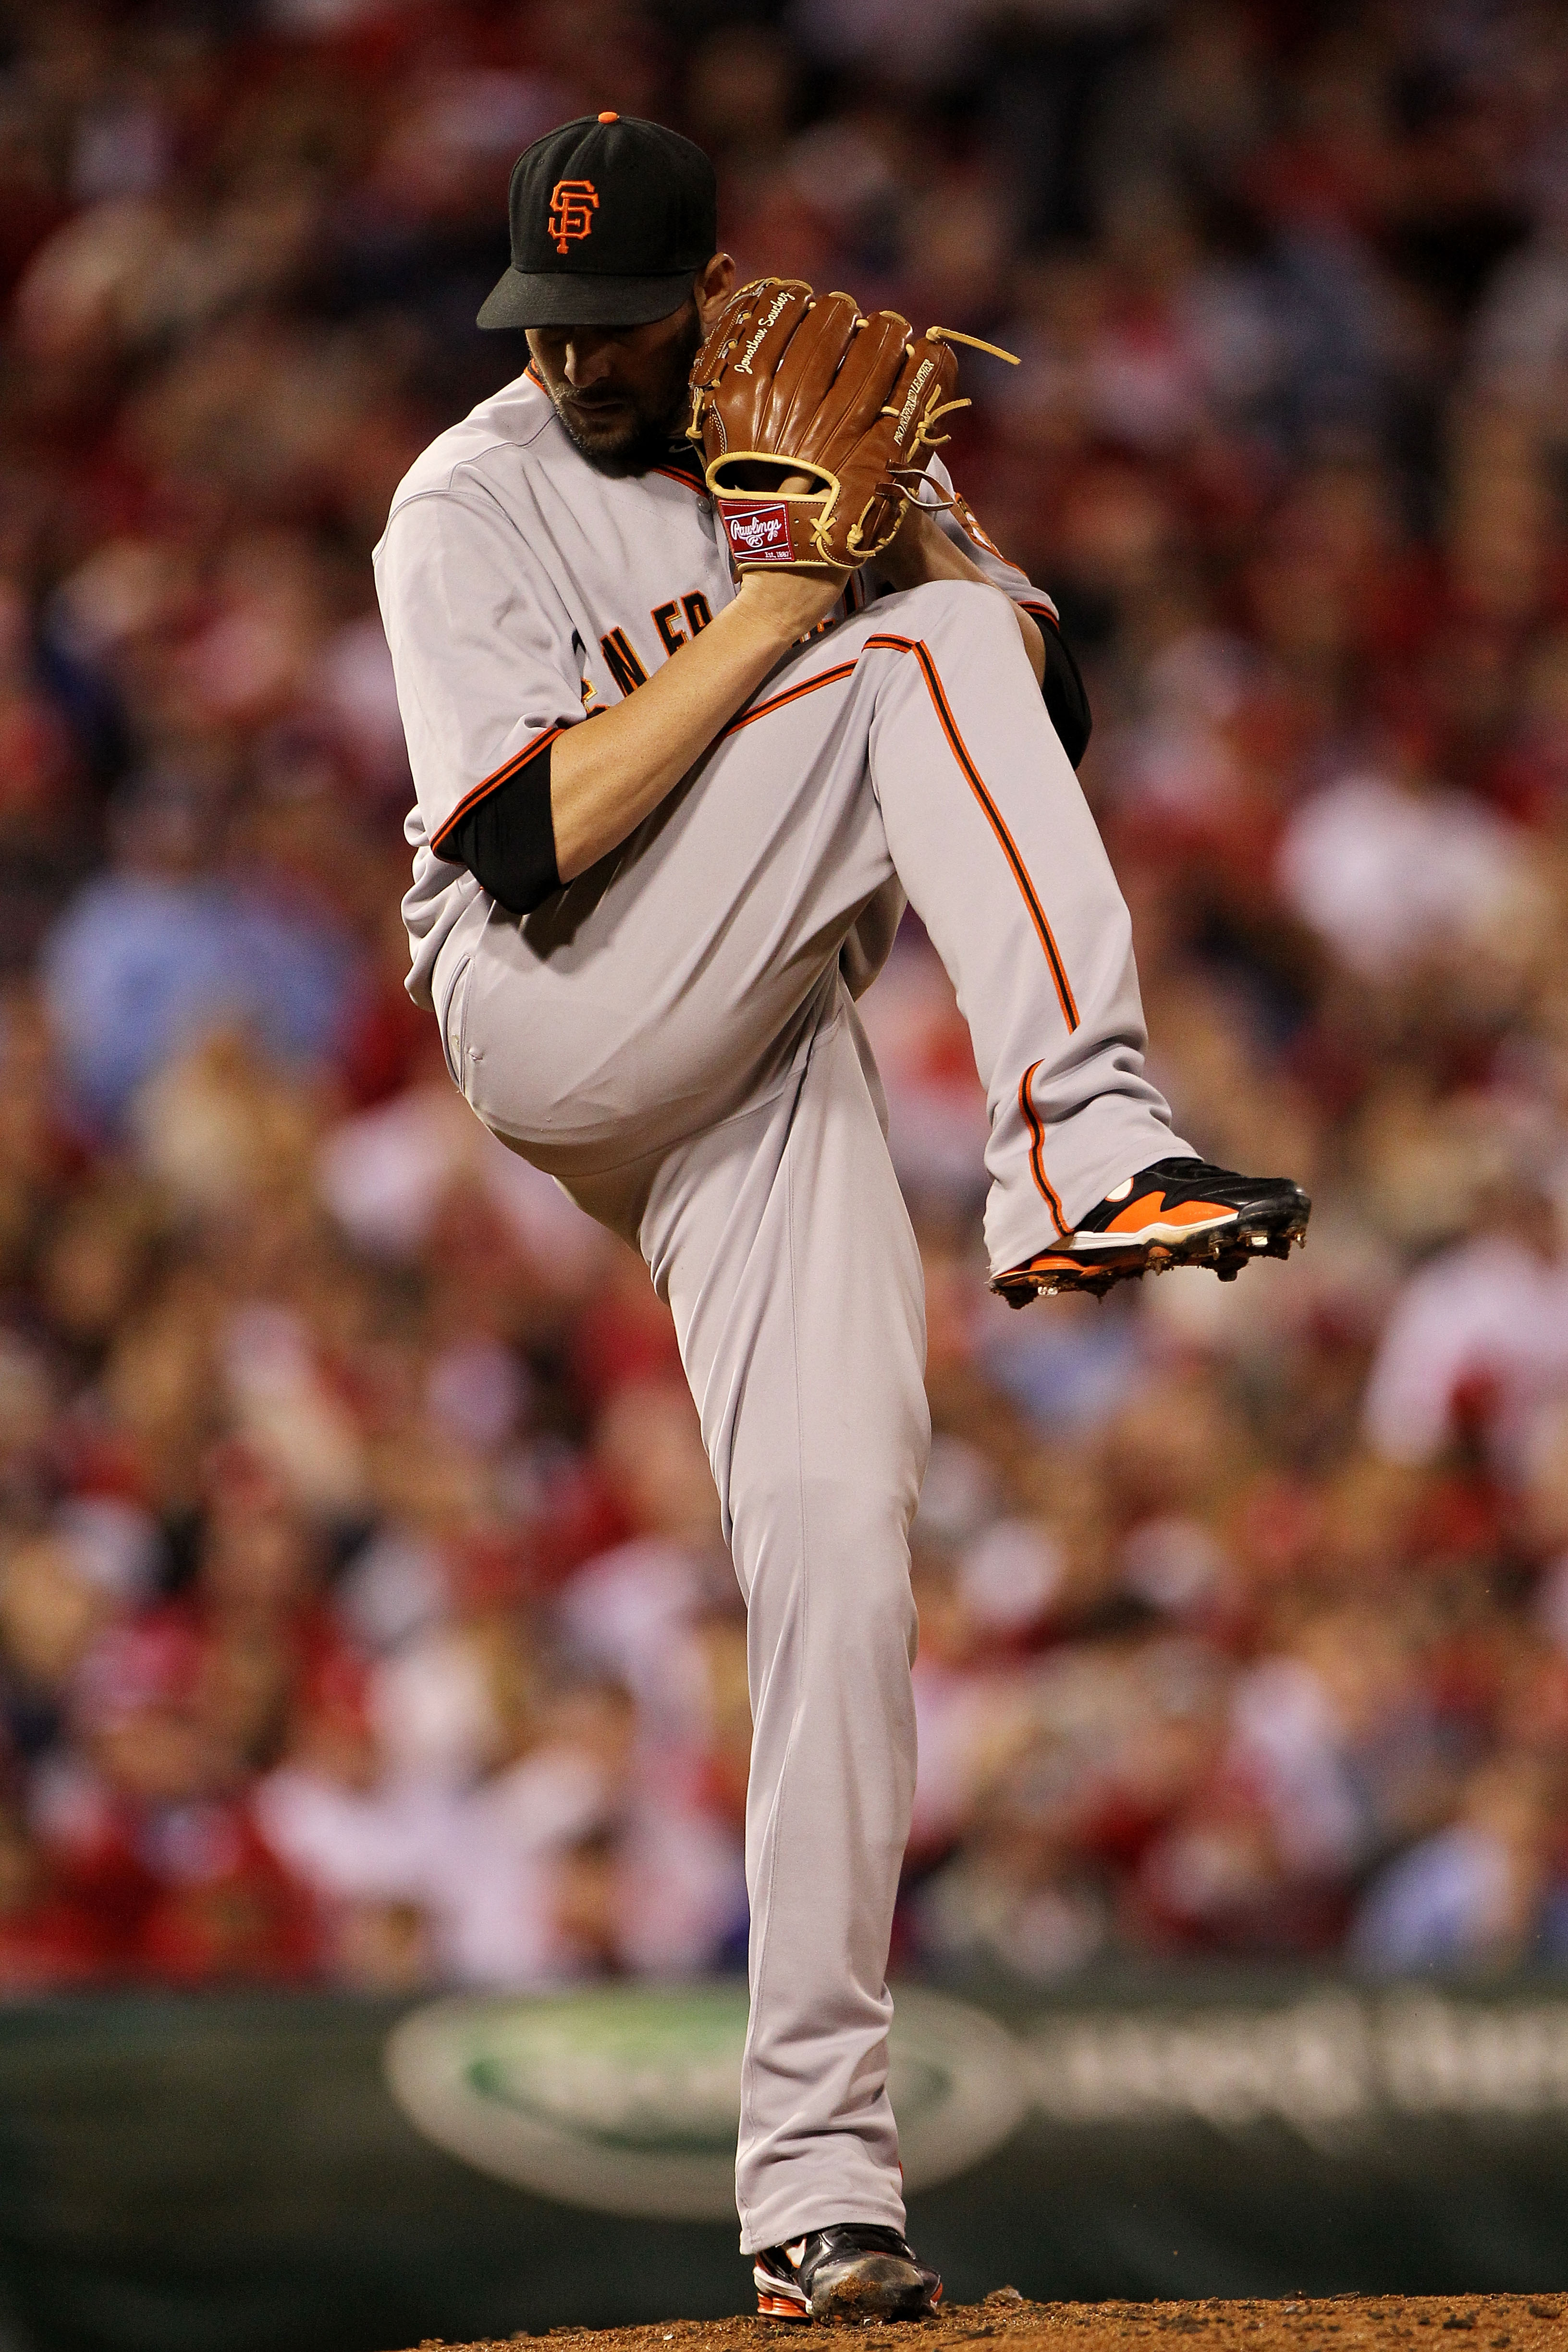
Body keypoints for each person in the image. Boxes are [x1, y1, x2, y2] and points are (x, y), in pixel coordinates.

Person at [374, 112, 1309, 2323]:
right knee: (892, 662)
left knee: (838, 1559)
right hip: (556, 1009)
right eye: (549, 320)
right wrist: (813, 598)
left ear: (706, 293)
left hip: (767, 1039)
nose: (577, 358)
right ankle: (1078, 1135)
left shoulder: (810, 420)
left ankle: (819, 2196)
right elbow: (527, 845)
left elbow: (1038, 703)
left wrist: (916, 546)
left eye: (615, 322)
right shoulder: (466, 501)